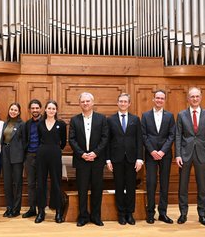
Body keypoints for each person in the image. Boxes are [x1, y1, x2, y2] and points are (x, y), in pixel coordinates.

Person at [175, 87, 205, 226]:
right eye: (192, 96)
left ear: (201, 97)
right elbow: (178, 135)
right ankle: (183, 214)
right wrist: (178, 155)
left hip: (202, 154)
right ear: (188, 98)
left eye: (197, 96)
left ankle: (202, 214)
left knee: (202, 186)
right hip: (185, 154)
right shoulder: (181, 115)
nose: (195, 99)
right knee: (183, 186)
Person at [69, 92, 109, 227]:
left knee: (97, 189)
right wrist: (82, 154)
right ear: (80, 104)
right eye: (83, 101)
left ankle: (96, 216)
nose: (85, 103)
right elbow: (72, 140)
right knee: (82, 189)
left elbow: (105, 138)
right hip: (81, 161)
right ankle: (83, 216)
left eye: (87, 101)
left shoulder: (101, 119)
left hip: (97, 160)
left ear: (92, 103)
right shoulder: (74, 120)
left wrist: (95, 153)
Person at [106, 93, 143, 225]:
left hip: (132, 159)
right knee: (119, 186)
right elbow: (108, 141)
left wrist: (140, 158)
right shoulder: (110, 120)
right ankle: (121, 214)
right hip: (116, 159)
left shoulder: (135, 119)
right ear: (117, 103)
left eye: (125, 101)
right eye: (120, 101)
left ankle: (130, 213)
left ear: (129, 104)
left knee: (131, 187)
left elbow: (139, 140)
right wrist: (108, 160)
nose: (123, 103)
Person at [141, 89, 176, 224]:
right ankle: (150, 213)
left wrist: (162, 151)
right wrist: (152, 151)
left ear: (164, 100)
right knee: (151, 183)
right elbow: (144, 135)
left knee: (164, 184)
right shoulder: (145, 116)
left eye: (162, 98)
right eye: (157, 98)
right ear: (153, 99)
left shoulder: (169, 116)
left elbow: (172, 135)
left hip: (165, 155)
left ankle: (163, 213)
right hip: (150, 155)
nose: (159, 100)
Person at [35, 100, 67, 223]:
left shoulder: (61, 124)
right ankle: (41, 212)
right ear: (46, 110)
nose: (51, 110)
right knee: (41, 183)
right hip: (42, 154)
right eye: (49, 108)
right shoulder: (40, 124)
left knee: (56, 183)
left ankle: (58, 212)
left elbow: (63, 142)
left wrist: (56, 149)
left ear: (56, 110)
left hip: (55, 154)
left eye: (53, 108)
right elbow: (38, 139)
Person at [1, 103, 25, 217]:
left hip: (17, 157)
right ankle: (9, 207)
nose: (13, 111)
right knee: (7, 183)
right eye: (11, 109)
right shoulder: (5, 123)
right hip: (5, 155)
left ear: (19, 112)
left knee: (17, 184)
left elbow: (25, 142)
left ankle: (16, 209)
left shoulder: (22, 124)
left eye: (16, 110)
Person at [22, 99, 42, 218]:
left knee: (41, 184)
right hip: (29, 156)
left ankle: (41, 209)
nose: (35, 110)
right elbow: (25, 140)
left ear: (40, 109)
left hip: (41, 157)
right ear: (30, 110)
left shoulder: (45, 122)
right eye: (32, 108)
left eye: (37, 108)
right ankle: (32, 208)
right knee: (30, 183)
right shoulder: (27, 124)